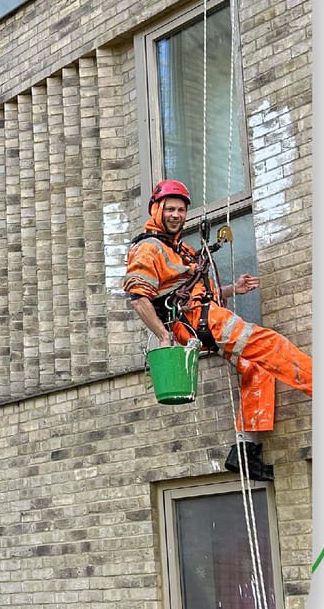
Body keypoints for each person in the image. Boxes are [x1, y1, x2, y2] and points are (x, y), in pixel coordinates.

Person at [123, 179, 312, 481]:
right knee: (269, 344)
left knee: (256, 367)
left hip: (203, 315)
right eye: (169, 208)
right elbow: (138, 297)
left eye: (181, 209)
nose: (176, 214)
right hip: (198, 320)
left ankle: (244, 449)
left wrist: (233, 289)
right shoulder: (149, 248)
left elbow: (195, 289)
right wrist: (162, 335)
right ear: (156, 210)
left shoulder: (180, 249)